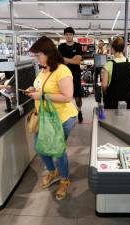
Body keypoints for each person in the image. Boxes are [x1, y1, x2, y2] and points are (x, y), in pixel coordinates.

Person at [26, 36, 78, 201]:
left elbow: (67, 96)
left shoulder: (62, 70)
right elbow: (41, 88)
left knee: (57, 150)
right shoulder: (43, 69)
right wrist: (33, 89)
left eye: (38, 54)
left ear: (48, 53)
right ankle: (52, 171)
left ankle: (64, 179)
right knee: (40, 146)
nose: (37, 58)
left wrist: (41, 95)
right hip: (44, 117)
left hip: (61, 117)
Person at [101, 37, 130, 109]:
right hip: (127, 99)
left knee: (111, 119)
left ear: (112, 49)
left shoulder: (109, 64)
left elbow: (104, 85)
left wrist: (106, 93)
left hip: (113, 100)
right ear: (123, 49)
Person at [58, 27, 84, 123]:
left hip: (76, 75)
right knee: (64, 96)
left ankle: (79, 110)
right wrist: (72, 59)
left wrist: (66, 59)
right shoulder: (61, 47)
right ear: (64, 35)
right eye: (66, 34)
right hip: (63, 75)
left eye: (70, 34)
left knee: (78, 97)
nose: (68, 36)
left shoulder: (78, 46)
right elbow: (60, 62)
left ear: (73, 35)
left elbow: (77, 62)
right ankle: (65, 115)